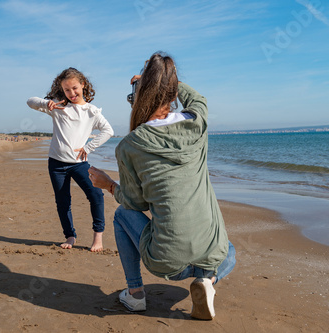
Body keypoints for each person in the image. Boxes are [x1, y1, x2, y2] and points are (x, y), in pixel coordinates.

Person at [88, 52, 236, 320]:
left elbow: (135, 203)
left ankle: (135, 295)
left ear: (139, 93)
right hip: (209, 251)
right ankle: (208, 280)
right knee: (228, 249)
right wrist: (163, 81)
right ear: (172, 91)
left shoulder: (129, 145)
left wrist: (109, 185)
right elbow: (198, 100)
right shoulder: (196, 124)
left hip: (165, 260)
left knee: (122, 215)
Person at [27, 67, 114, 252]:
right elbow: (30, 101)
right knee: (63, 201)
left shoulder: (91, 111)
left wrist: (89, 147)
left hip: (79, 164)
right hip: (56, 164)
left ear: (83, 85)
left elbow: (108, 131)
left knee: (96, 195)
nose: (72, 93)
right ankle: (70, 235)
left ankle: (97, 237)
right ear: (62, 90)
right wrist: (47, 103)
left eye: (75, 88)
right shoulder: (59, 107)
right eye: (67, 90)